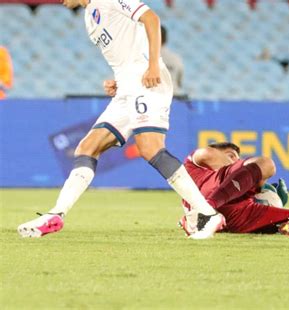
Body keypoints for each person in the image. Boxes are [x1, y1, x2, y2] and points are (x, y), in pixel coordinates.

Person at [17, 0, 224, 240]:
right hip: (127, 86)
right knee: (87, 147)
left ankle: (208, 215)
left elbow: (151, 19)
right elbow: (125, 52)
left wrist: (153, 65)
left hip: (147, 81)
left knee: (151, 149)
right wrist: (119, 80)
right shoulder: (88, 17)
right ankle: (56, 214)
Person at [178, 142, 289, 235]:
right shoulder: (196, 162)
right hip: (211, 195)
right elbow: (208, 154)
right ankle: (205, 211)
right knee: (266, 164)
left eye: (238, 159)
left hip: (239, 214)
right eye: (232, 155)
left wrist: (267, 198)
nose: (236, 160)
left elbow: (244, 178)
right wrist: (255, 178)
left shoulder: (240, 180)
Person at [160, 25, 186, 99]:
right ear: (166, 39)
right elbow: (180, 82)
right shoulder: (176, 58)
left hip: (153, 98)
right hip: (175, 96)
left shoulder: (144, 57)